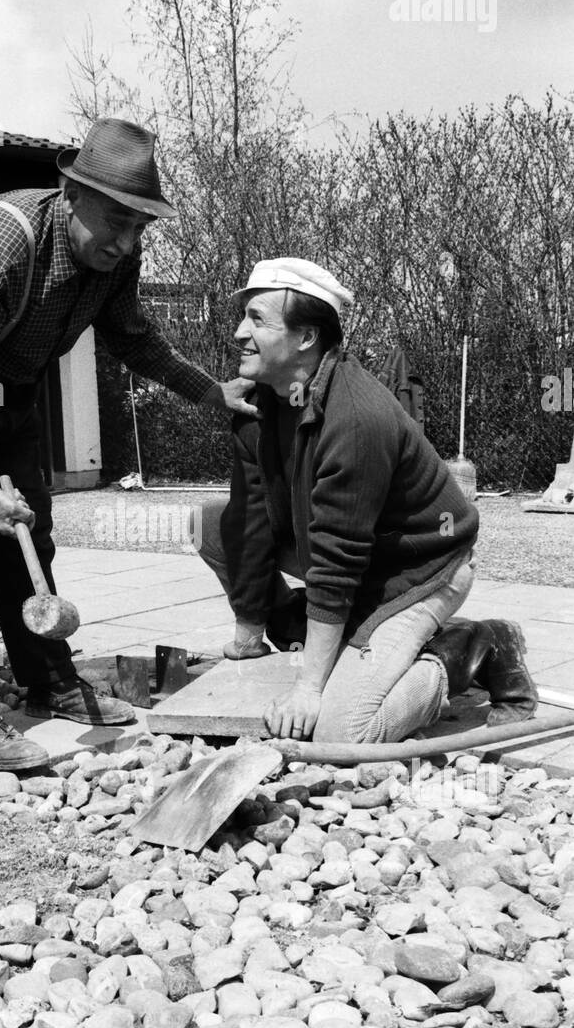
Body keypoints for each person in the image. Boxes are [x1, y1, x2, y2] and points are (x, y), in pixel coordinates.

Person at [0, 118, 258, 771]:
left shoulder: (115, 256)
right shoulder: (2, 247)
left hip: (3, 378)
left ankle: (49, 682)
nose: (126, 241)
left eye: (139, 227)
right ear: (70, 195)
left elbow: (134, 338)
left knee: (30, 527)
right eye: (116, 220)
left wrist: (211, 392)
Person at [197, 257, 538, 743]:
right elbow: (251, 518)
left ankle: (472, 646)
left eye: (257, 319)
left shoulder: (357, 418)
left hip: (419, 569)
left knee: (343, 732)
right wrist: (250, 631)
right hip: (354, 557)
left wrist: (310, 689)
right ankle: (306, 625)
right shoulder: (260, 404)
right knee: (212, 523)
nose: (237, 333)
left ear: (306, 338)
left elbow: (339, 560)